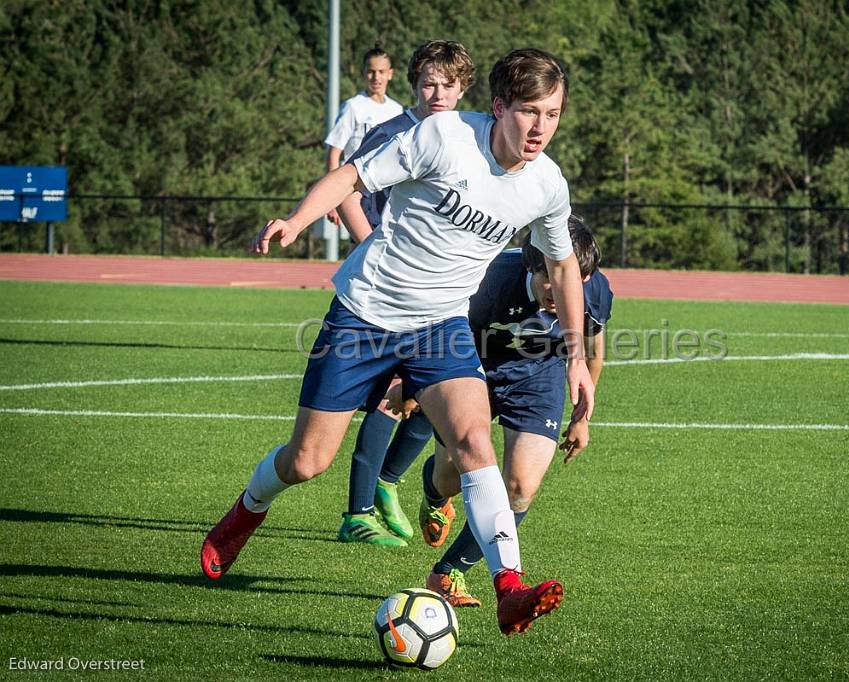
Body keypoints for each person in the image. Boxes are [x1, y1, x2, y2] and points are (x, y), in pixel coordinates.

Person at [201, 48, 594, 636]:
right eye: (529, 112)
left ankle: (509, 586)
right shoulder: (445, 137)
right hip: (364, 314)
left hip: (439, 327)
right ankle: (245, 512)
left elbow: (563, 268)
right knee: (307, 461)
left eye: (553, 114)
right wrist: (299, 219)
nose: (541, 128)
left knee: (473, 443)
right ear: (498, 107)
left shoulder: (546, 184)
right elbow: (351, 176)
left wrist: (577, 360)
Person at [382, 218, 612, 607]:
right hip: (470, 365)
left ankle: (448, 572)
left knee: (520, 487)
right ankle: (435, 494)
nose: (560, 291)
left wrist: (582, 417)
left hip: (539, 377)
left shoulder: (595, 290)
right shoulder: (488, 280)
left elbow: (593, 352)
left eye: (575, 280)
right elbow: (430, 330)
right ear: (531, 265)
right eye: (549, 279)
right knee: (450, 476)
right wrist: (409, 384)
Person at [333, 40, 476, 547]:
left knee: (434, 402)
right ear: (412, 85)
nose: (437, 93)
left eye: (448, 85)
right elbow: (347, 190)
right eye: (428, 83)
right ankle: (358, 510)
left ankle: (388, 484)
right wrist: (374, 245)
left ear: (464, 89)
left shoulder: (471, 134)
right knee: (395, 397)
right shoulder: (393, 131)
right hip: (385, 293)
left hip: (439, 295)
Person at [324, 43, 404, 225]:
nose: (376, 77)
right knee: (364, 243)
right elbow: (334, 153)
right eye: (371, 71)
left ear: (390, 74)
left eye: (381, 71)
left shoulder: (397, 109)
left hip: (385, 190)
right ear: (363, 73)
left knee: (372, 246)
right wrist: (332, 199)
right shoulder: (353, 107)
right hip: (357, 188)